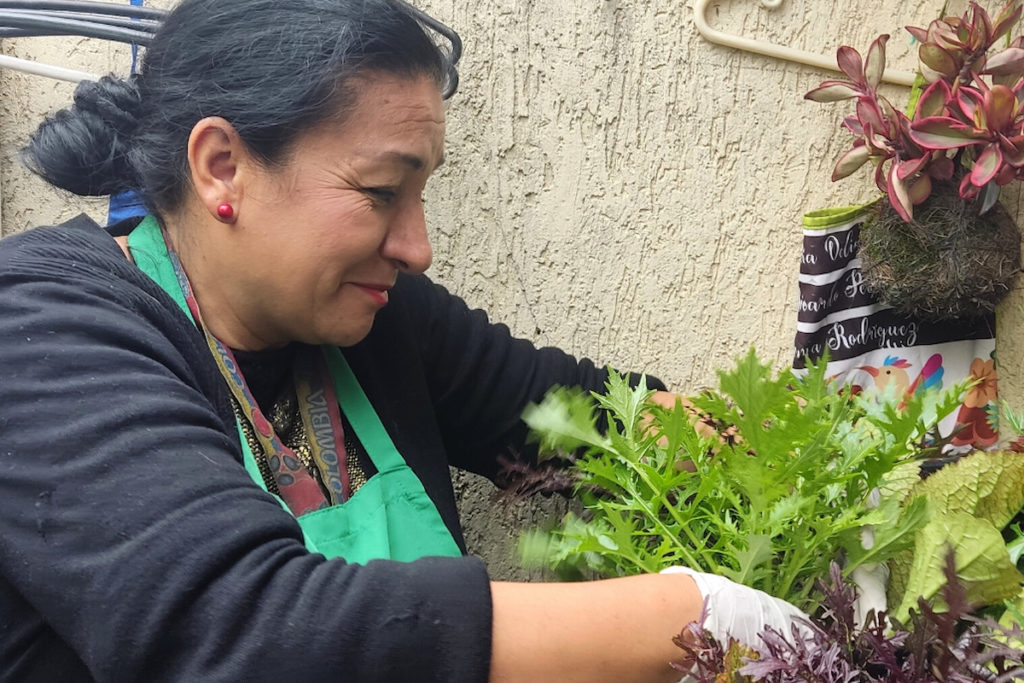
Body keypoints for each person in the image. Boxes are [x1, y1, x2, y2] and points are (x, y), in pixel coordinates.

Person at [0, 1, 806, 681]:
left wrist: (808, 451)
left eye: (421, 194)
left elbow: (587, 420)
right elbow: (249, 629)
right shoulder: (42, 328)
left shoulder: (376, 319)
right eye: (382, 191)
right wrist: (693, 614)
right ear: (221, 166)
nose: (416, 245)